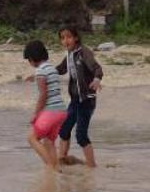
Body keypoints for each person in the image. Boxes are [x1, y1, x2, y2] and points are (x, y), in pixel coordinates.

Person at [56, 27, 103, 168]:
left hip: (87, 99)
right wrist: (42, 73)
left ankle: (91, 167)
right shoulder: (70, 54)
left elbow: (96, 68)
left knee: (81, 135)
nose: (66, 40)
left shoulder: (84, 52)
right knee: (64, 130)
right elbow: (61, 69)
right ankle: (61, 161)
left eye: (69, 37)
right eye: (63, 38)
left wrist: (97, 79)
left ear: (76, 38)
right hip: (75, 100)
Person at [24, 40, 68, 170]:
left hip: (51, 112)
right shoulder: (51, 68)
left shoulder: (40, 71)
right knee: (49, 142)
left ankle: (50, 166)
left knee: (31, 138)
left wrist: (36, 114)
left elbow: (43, 95)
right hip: (61, 112)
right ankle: (56, 170)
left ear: (31, 59)